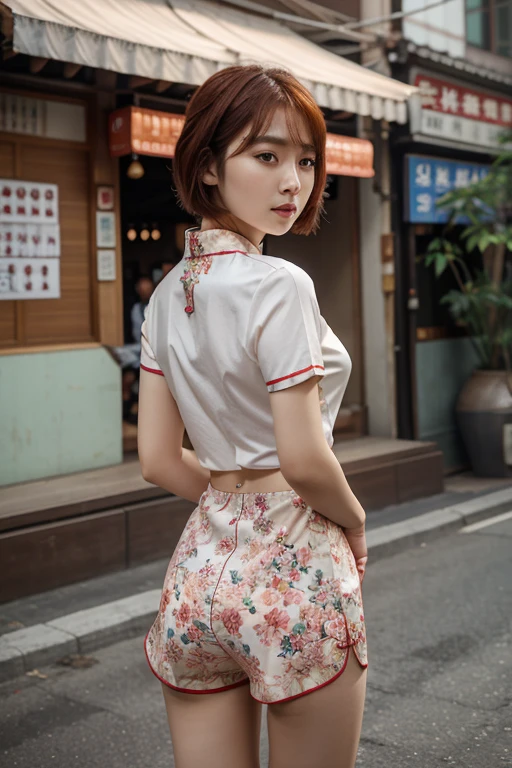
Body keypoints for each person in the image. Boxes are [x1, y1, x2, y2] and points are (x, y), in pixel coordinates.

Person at [138, 64, 368, 768]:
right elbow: (301, 461)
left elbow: (156, 459)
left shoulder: (165, 295)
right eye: (265, 156)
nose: (292, 182)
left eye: (305, 160)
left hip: (197, 575)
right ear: (207, 168)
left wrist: (229, 505)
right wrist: (354, 522)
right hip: (296, 569)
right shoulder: (281, 284)